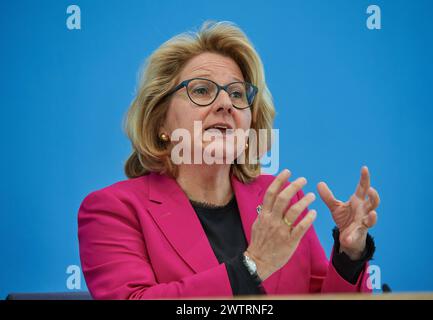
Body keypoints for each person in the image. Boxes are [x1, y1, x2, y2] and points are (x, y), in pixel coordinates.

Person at [78, 21, 380, 299]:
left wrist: (349, 256)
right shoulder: (114, 210)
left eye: (237, 94)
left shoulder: (282, 201)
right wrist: (253, 265)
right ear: (161, 123)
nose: (225, 104)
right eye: (201, 90)